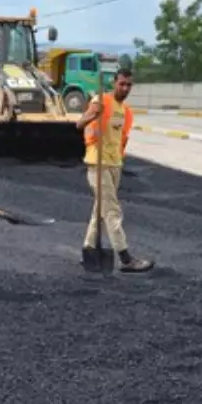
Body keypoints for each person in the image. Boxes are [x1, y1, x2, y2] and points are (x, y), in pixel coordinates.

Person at [76, 68, 154, 273]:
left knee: (100, 211)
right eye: (122, 84)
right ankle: (126, 258)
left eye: (129, 85)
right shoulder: (101, 101)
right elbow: (80, 124)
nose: (125, 88)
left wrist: (119, 160)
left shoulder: (127, 112)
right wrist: (93, 114)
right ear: (114, 83)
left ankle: (89, 249)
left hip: (114, 164)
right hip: (97, 163)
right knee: (112, 210)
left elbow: (122, 139)